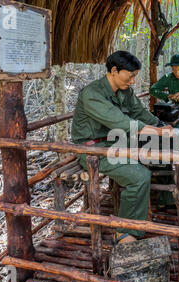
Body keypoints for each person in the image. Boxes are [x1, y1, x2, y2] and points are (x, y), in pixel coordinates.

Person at [71, 51, 173, 244]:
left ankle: (166, 199)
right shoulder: (92, 94)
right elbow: (123, 123)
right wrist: (156, 132)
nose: (133, 81)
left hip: (118, 142)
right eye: (131, 75)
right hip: (94, 150)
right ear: (114, 70)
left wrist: (160, 125)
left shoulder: (125, 91)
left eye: (135, 76)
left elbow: (139, 113)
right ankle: (124, 232)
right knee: (140, 176)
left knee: (164, 149)